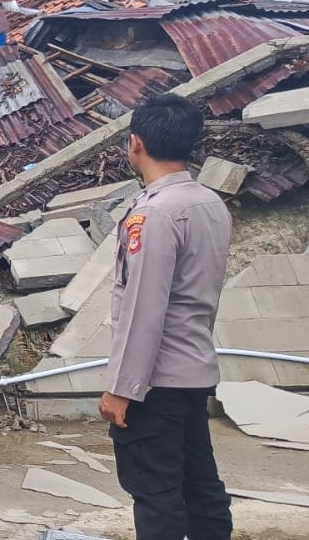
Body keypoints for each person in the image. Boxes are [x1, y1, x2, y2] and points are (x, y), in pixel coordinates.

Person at [99, 93, 233, 540]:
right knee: (201, 490)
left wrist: (123, 388)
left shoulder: (154, 213)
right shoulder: (209, 203)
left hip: (155, 384)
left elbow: (143, 306)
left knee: (156, 495)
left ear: (135, 143)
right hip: (192, 373)